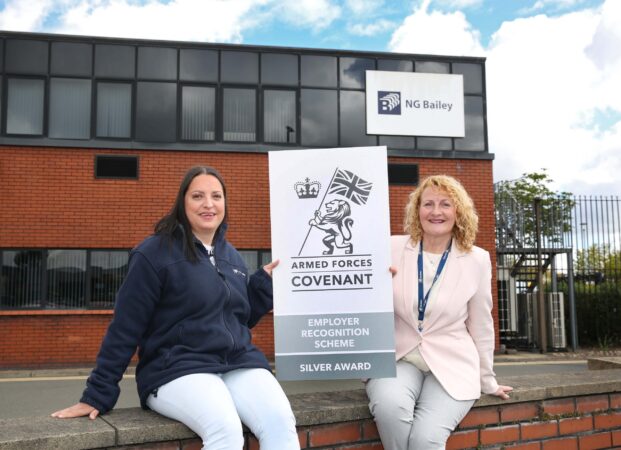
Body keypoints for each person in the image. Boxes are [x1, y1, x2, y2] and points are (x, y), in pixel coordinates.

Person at [52, 166, 300, 450]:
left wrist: (262, 286)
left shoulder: (231, 257)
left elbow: (236, 320)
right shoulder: (153, 253)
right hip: (176, 368)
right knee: (226, 430)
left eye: (216, 196)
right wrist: (97, 394)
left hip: (237, 363)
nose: (209, 204)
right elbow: (125, 327)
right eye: (198, 196)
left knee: (281, 423)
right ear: (182, 203)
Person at [366, 175, 513, 450]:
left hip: (452, 362)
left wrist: (487, 380)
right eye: (428, 204)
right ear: (417, 210)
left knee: (425, 439)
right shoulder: (390, 248)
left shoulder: (477, 259)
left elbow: (481, 323)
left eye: (445, 204)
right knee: (389, 409)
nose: (436, 212)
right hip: (400, 358)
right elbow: (360, 293)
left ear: (458, 211)